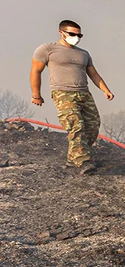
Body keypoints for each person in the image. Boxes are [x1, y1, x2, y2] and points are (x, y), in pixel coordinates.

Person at [31, 20, 114, 174]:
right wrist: (36, 95)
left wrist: (105, 90)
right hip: (62, 93)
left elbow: (93, 74)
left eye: (79, 35)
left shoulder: (83, 53)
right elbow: (36, 71)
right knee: (76, 124)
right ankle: (83, 161)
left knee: (92, 125)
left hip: (84, 93)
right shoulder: (47, 49)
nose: (76, 37)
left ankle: (73, 158)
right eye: (72, 34)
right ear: (61, 32)